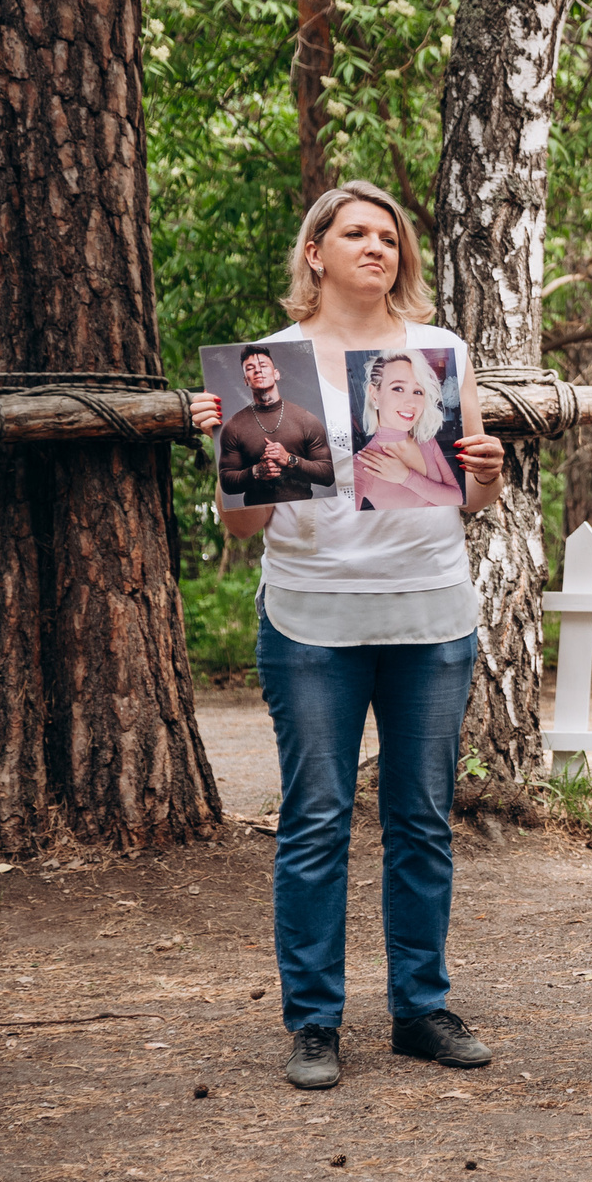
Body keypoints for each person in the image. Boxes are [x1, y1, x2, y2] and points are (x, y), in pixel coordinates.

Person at [186, 181, 507, 1092]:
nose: (379, 248)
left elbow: (471, 499)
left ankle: (421, 1009)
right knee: (317, 820)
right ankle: (315, 1023)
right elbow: (245, 529)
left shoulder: (438, 350)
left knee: (419, 821)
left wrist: (487, 472)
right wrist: (231, 457)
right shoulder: (268, 367)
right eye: (357, 233)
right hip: (312, 620)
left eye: (391, 237)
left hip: (431, 612)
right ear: (316, 252)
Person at [218, 344, 334, 505]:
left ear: (276, 374)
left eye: (263, 366)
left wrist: (289, 459)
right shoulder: (233, 426)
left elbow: (328, 475)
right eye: (250, 368)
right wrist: (256, 471)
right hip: (257, 519)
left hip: (306, 514)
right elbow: (226, 482)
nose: (258, 371)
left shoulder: (306, 420)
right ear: (245, 380)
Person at [350, 349, 465, 511]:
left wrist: (406, 477)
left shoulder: (425, 441)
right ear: (374, 394)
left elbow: (457, 497)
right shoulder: (363, 465)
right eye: (398, 388)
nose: (411, 402)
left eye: (418, 391)